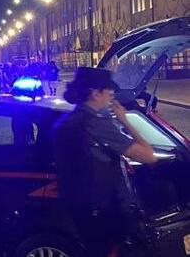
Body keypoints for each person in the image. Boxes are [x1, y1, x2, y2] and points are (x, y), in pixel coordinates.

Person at [53, 67, 157, 256]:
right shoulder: (94, 123)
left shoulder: (68, 121)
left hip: (82, 211)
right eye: (109, 92)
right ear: (95, 93)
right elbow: (148, 155)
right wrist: (124, 120)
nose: (112, 97)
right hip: (105, 213)